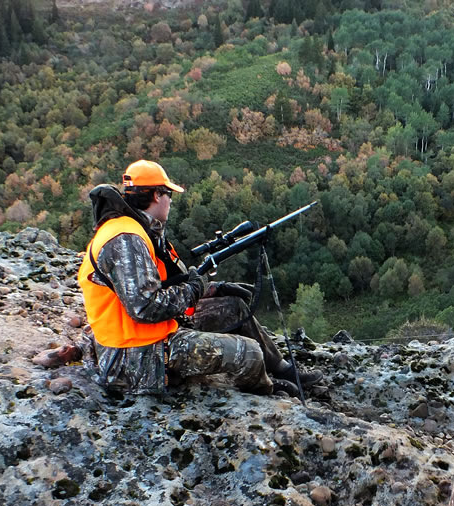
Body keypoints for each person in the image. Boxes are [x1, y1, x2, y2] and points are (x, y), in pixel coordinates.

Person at [77, 159, 320, 397]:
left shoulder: (139, 230)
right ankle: (268, 390)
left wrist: (211, 289)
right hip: (135, 358)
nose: (171, 201)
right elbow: (145, 307)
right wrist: (194, 289)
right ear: (157, 195)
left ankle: (282, 369)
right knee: (248, 352)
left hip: (149, 337)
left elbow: (161, 284)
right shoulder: (126, 239)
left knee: (233, 308)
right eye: (169, 194)